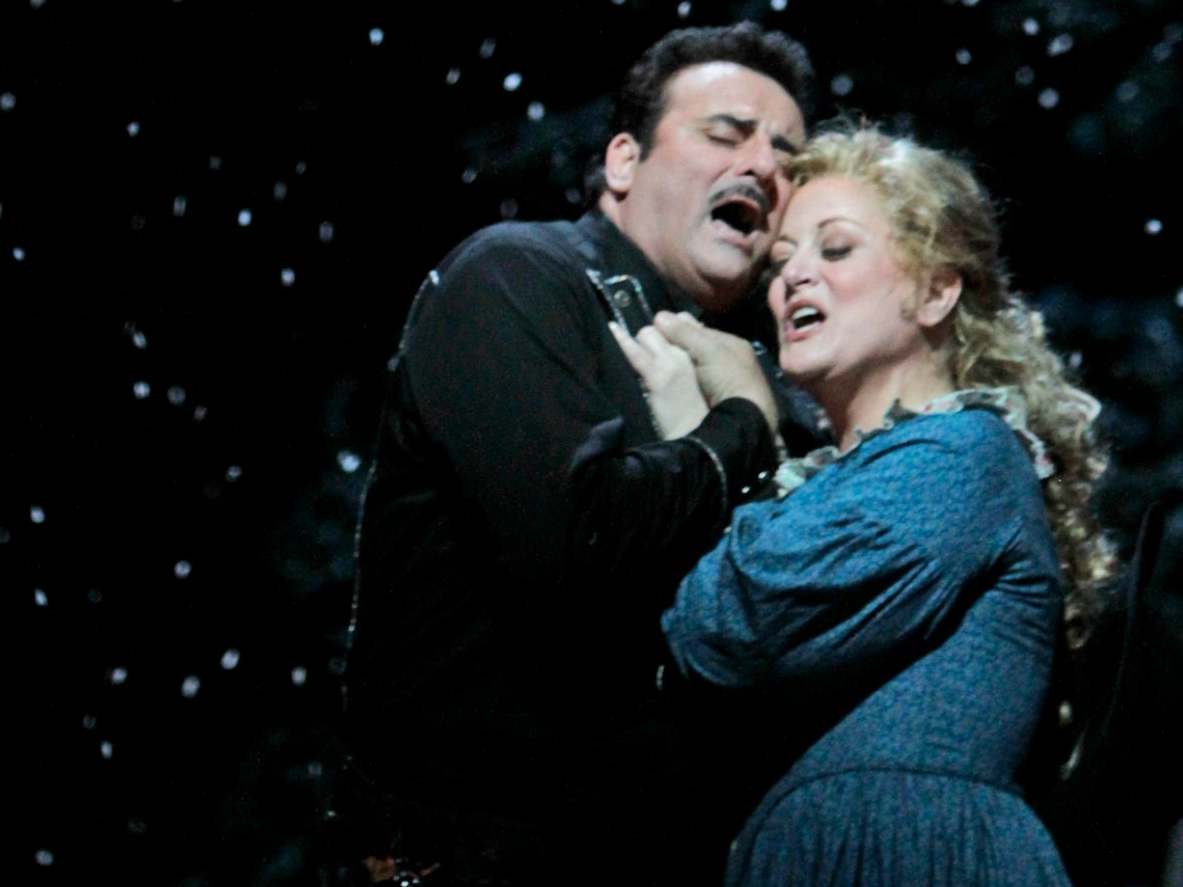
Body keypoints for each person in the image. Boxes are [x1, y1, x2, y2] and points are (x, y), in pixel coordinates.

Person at [342, 22, 820, 885]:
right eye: (724, 132)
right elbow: (576, 538)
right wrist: (740, 429)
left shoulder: (773, 376)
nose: (762, 164)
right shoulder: (516, 276)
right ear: (623, 163)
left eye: (788, 154)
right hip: (470, 853)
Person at [617, 125, 1116, 885]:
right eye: (780, 262)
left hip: (909, 855)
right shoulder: (834, 483)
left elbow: (733, 627)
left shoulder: (961, 454)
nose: (792, 279)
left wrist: (725, 426)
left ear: (935, 290)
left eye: (836, 249)